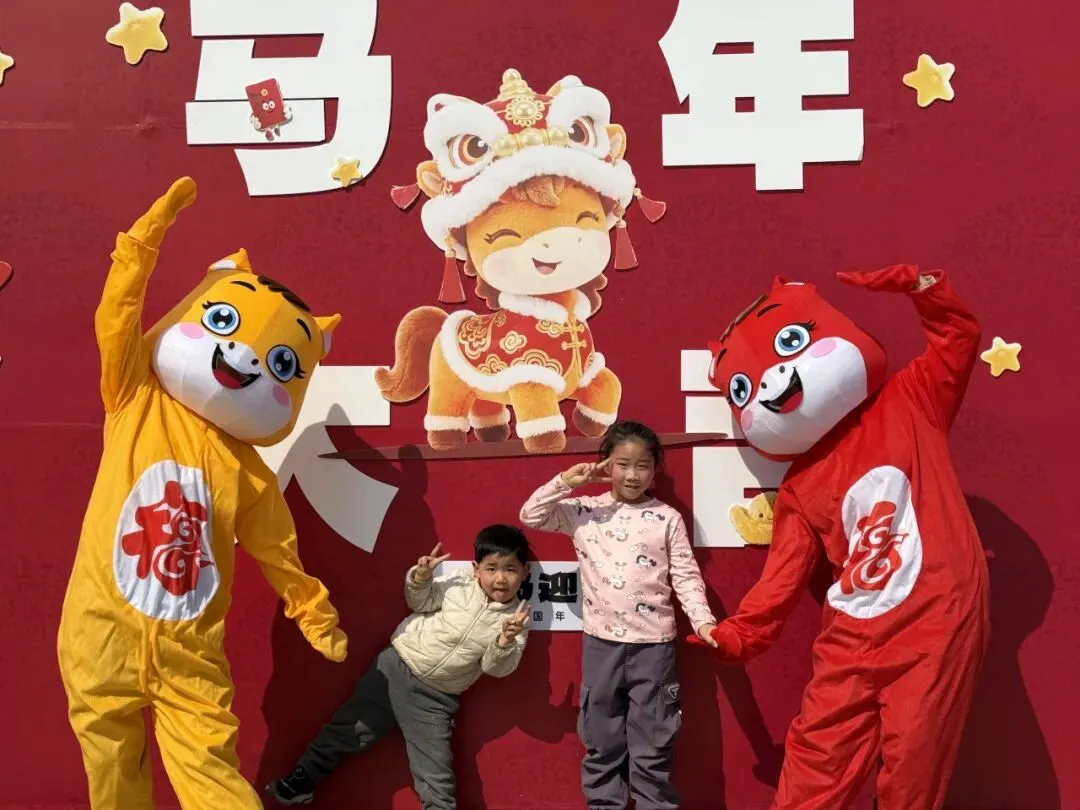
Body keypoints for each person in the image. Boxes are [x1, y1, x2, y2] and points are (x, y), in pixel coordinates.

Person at [520, 420, 718, 810]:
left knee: (653, 743)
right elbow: (531, 515)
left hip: (654, 649)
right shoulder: (584, 511)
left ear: (655, 470)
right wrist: (567, 481)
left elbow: (685, 575)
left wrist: (703, 621)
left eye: (643, 465)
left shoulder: (667, 517)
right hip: (601, 646)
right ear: (605, 464)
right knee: (601, 740)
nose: (632, 475)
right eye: (622, 464)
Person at [266, 524, 533, 808]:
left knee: (435, 774)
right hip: (395, 668)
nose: (500, 578)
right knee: (347, 730)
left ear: (525, 572)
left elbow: (496, 668)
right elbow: (419, 601)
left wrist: (504, 640)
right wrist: (421, 577)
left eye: (510, 569)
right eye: (491, 568)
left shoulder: (517, 619)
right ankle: (300, 782)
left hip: (436, 698)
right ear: (476, 569)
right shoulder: (458, 584)